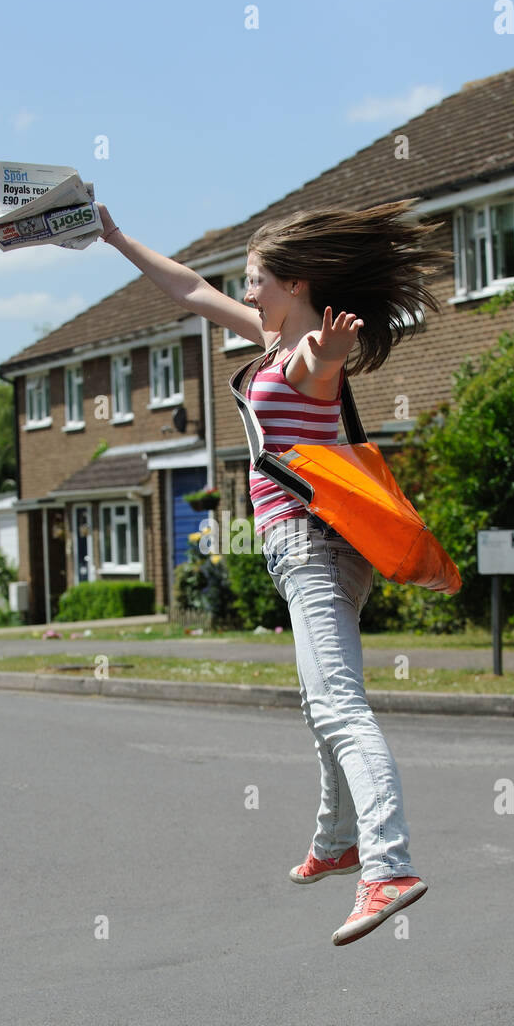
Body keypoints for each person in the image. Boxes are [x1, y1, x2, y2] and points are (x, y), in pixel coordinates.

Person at [96, 199, 447, 946]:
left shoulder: (303, 352)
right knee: (317, 702)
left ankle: (387, 865)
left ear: (294, 284)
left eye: (256, 280)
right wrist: (116, 237)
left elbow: (319, 370)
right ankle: (336, 842)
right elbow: (190, 289)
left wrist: (329, 351)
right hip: (312, 552)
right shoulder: (270, 335)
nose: (247, 291)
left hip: (311, 546)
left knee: (339, 707)